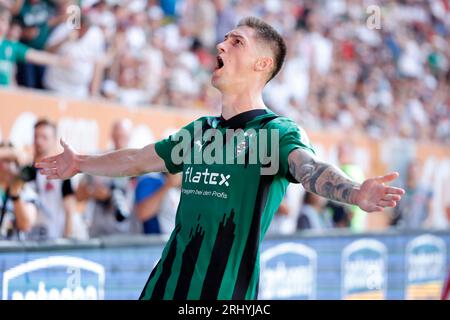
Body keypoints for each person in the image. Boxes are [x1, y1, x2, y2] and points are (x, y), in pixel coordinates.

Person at [36, 17, 405, 300]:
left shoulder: (275, 132)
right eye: (225, 38)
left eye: (236, 41)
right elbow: (136, 159)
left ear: (262, 65)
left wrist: (355, 192)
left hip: (226, 297)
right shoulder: (200, 131)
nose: (221, 45)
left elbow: (308, 169)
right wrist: (81, 162)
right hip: (164, 288)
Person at [75, 119, 141, 237]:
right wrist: (93, 192)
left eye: (123, 137)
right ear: (111, 136)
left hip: (128, 234)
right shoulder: (98, 160)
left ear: (130, 137)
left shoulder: (139, 163)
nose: (119, 141)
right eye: (116, 136)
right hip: (98, 232)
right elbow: (78, 196)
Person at [25, 119, 82, 240]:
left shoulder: (62, 172)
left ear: (54, 140)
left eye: (44, 137)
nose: (38, 141)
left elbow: (70, 209)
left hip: (55, 241)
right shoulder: (27, 172)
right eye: (36, 136)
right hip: (31, 241)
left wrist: (66, 240)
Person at [0, 4, 69, 87]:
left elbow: (34, 55)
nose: (1, 25)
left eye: (4, 21)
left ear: (8, 25)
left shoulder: (11, 46)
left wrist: (59, 60)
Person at [0, 141, 39, 240]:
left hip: (14, 252)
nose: (11, 166)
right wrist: (13, 153)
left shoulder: (27, 192)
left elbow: (25, 225)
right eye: (7, 161)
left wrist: (15, 194)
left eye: (15, 162)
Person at [391, 160, 433, 229]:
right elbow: (393, 210)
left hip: (419, 226)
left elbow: (430, 207)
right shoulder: (400, 187)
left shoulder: (425, 189)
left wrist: (428, 223)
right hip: (401, 226)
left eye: (415, 171)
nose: (413, 173)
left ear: (419, 172)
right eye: (411, 171)